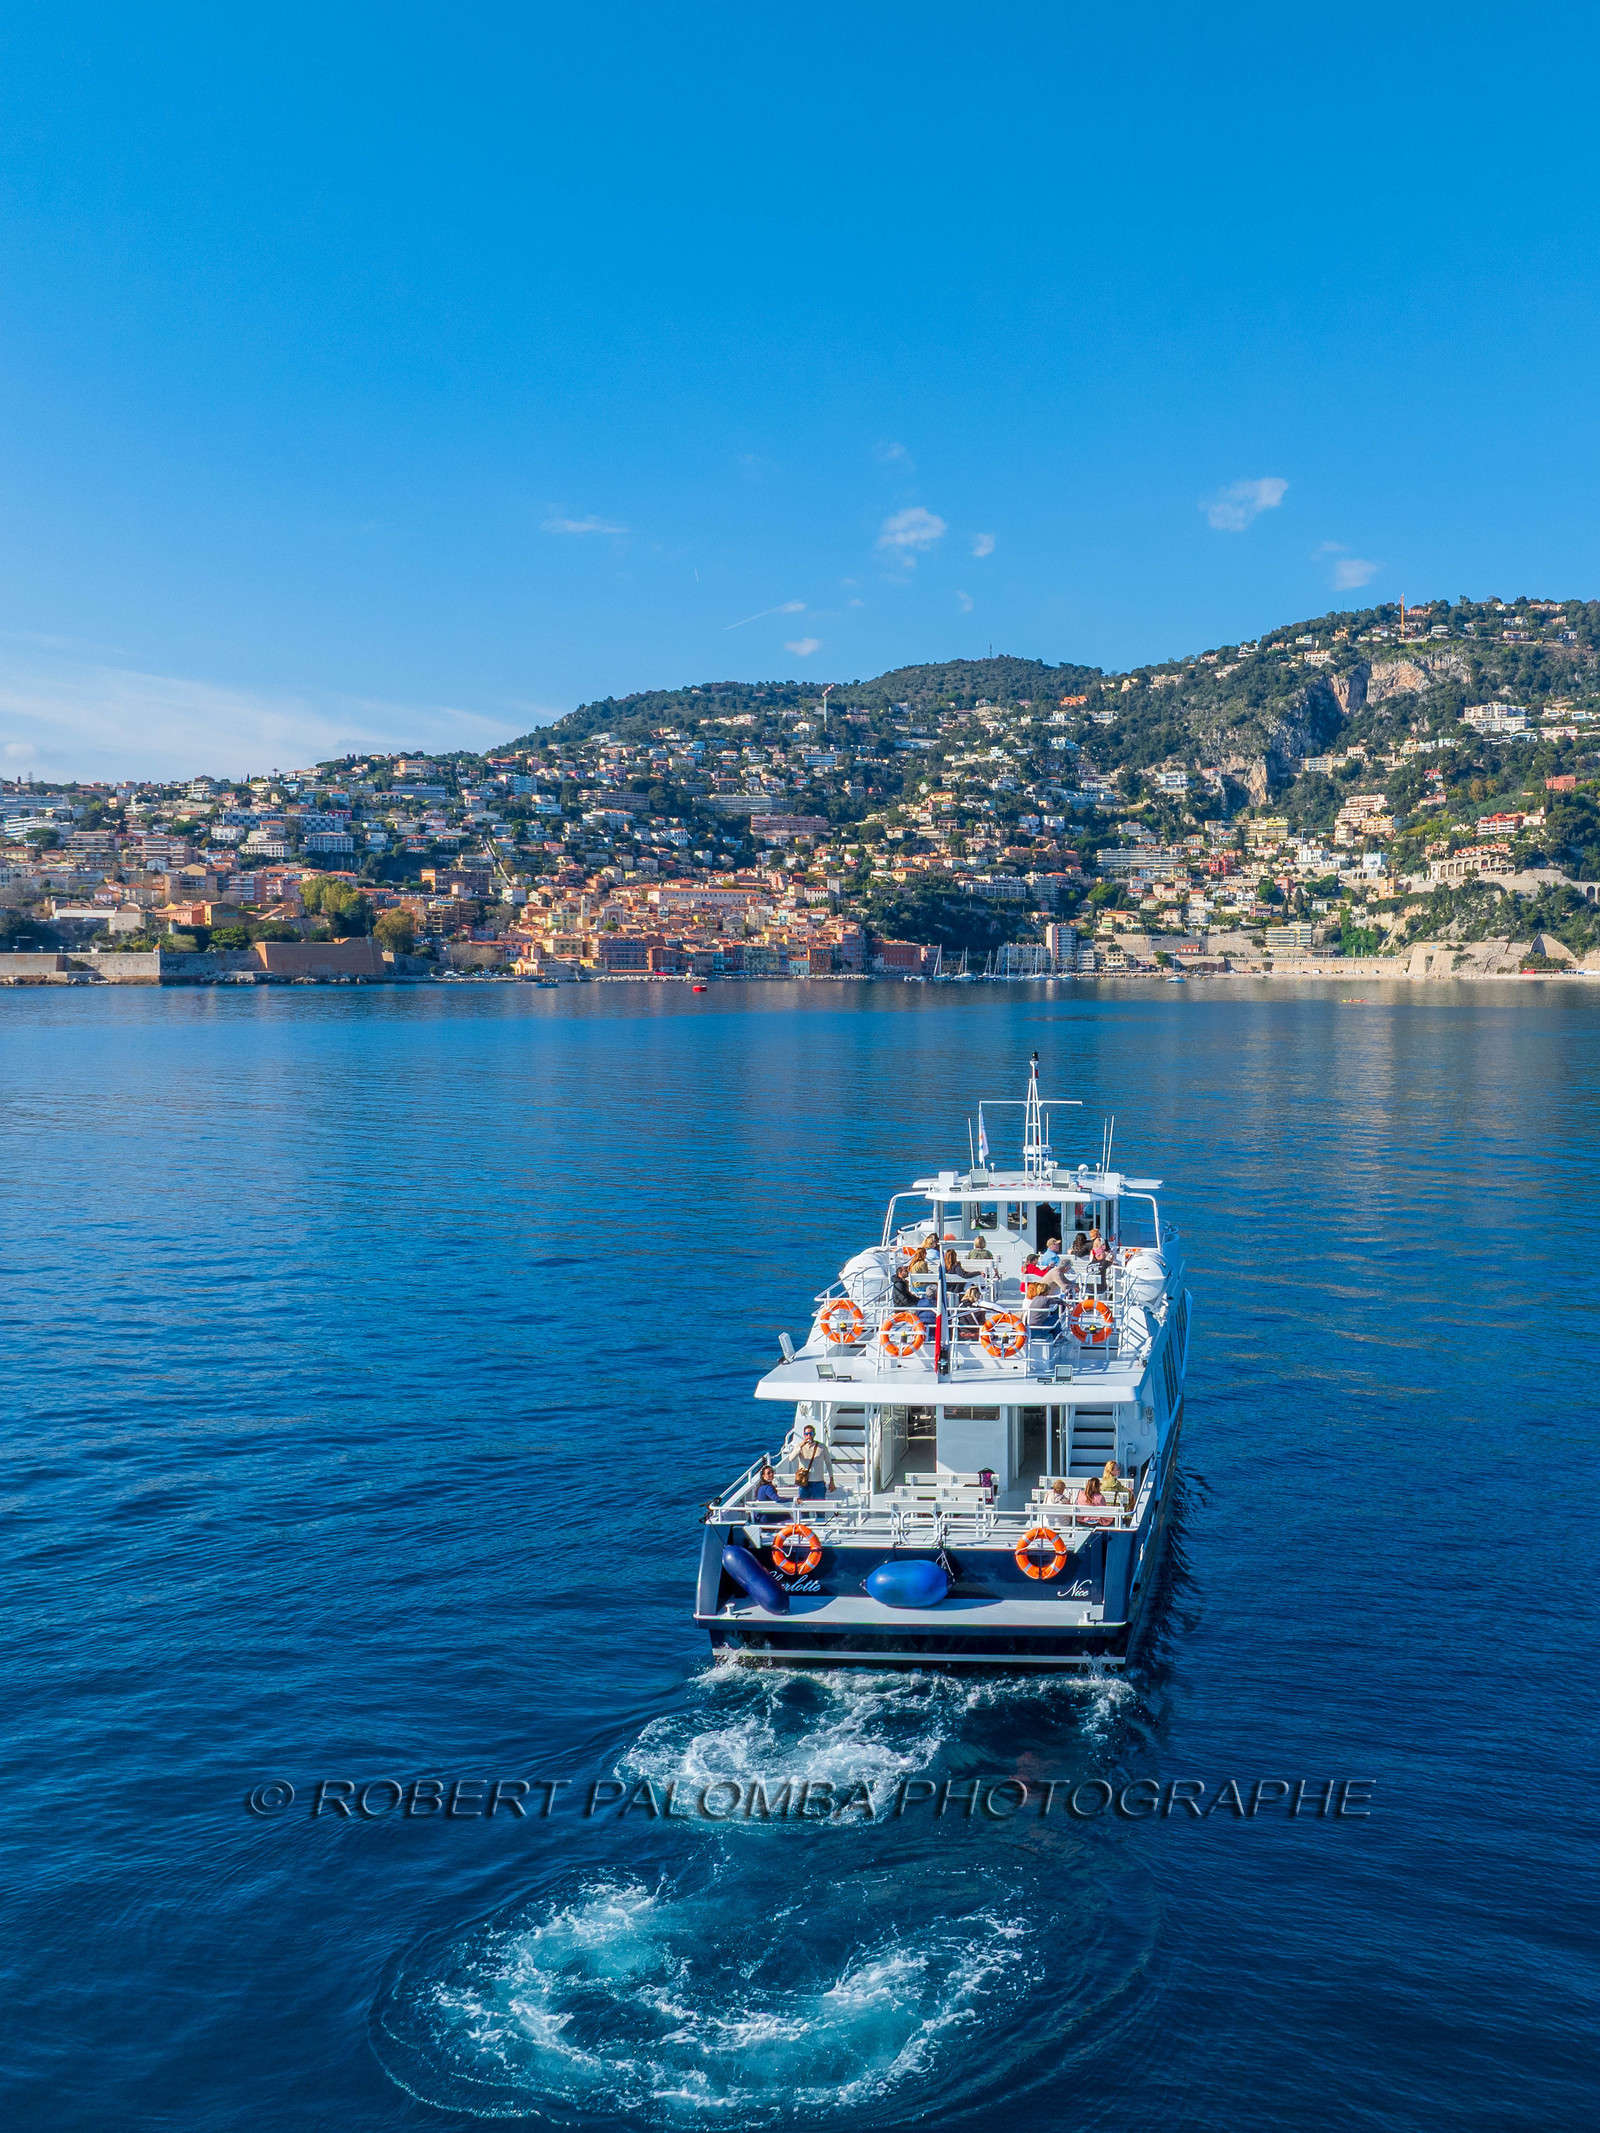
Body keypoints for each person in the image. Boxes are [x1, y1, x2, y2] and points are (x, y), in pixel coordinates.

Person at [793, 1424, 833, 1500]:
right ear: (804, 1435)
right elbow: (791, 1458)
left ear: (814, 1434)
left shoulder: (822, 1447)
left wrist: (831, 1480)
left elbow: (828, 1463)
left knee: (819, 1505)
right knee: (804, 1505)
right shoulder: (799, 1446)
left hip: (818, 1482)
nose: (809, 1436)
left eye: (811, 1433)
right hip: (804, 1482)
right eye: (807, 1434)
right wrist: (801, 1446)